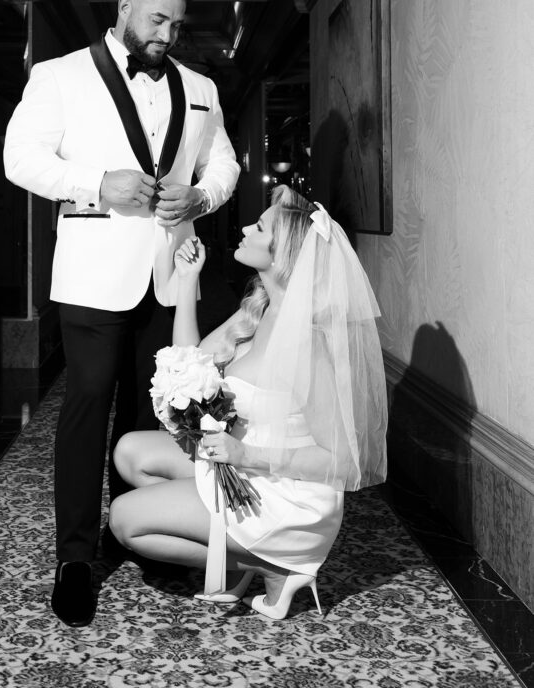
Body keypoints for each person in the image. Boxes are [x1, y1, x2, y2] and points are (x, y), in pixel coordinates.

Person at [3, 0, 240, 627]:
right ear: (124, 8)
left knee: (148, 411)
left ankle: (124, 525)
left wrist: (203, 192)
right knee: (86, 407)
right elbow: (20, 159)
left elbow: (222, 162)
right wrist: (95, 184)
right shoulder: (58, 76)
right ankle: (74, 559)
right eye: (156, 18)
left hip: (169, 273)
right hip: (92, 274)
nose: (167, 32)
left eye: (176, 23)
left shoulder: (199, 86)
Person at [109, 186, 388, 621]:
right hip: (243, 465)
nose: (243, 228)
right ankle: (233, 551)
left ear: (284, 254)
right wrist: (187, 282)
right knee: (129, 450)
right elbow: (190, 364)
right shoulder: (259, 309)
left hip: (286, 498)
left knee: (125, 521)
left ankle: (271, 564)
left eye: (258, 227)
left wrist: (245, 453)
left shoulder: (310, 344)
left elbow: (344, 463)